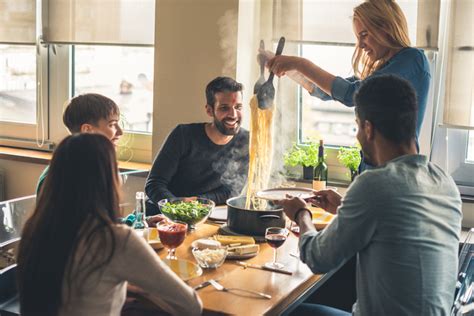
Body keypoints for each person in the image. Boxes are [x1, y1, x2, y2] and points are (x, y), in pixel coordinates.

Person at [276, 75, 462, 315]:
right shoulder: (444, 181)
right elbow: (397, 223)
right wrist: (344, 206)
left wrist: (301, 213)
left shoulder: (374, 184)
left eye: (357, 126)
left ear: (368, 128)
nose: (357, 135)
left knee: (286, 311)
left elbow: (316, 258)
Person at [17, 134, 203, 316]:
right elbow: (191, 306)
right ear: (106, 180)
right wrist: (144, 289)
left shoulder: (34, 229)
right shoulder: (116, 240)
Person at [266, 0, 430, 152]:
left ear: (385, 27)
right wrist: (290, 68)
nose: (360, 44)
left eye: (364, 34)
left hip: (393, 174)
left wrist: (300, 64)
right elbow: (327, 91)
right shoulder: (383, 70)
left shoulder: (413, 60)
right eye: (358, 37)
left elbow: (351, 94)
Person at [145, 76, 249, 213]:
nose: (233, 114)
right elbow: (154, 184)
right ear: (209, 110)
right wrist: (178, 209)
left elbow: (231, 190)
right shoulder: (183, 135)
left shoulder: (245, 140)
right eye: (224, 108)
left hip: (204, 214)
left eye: (238, 107)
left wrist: (197, 202)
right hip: (161, 215)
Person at [36, 93, 123, 193]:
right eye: (111, 124)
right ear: (87, 130)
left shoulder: (98, 166)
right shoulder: (61, 178)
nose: (120, 132)